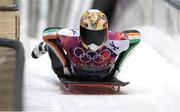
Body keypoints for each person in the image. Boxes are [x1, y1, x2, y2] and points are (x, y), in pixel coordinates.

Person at [32, 9, 141, 81]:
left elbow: (136, 37)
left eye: (98, 34)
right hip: (72, 72)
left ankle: (48, 47)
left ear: (106, 32)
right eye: (88, 34)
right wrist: (65, 64)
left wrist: (117, 67)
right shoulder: (71, 38)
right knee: (53, 47)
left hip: (103, 73)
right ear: (80, 31)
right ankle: (45, 47)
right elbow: (48, 34)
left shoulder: (115, 39)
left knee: (55, 42)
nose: (93, 42)